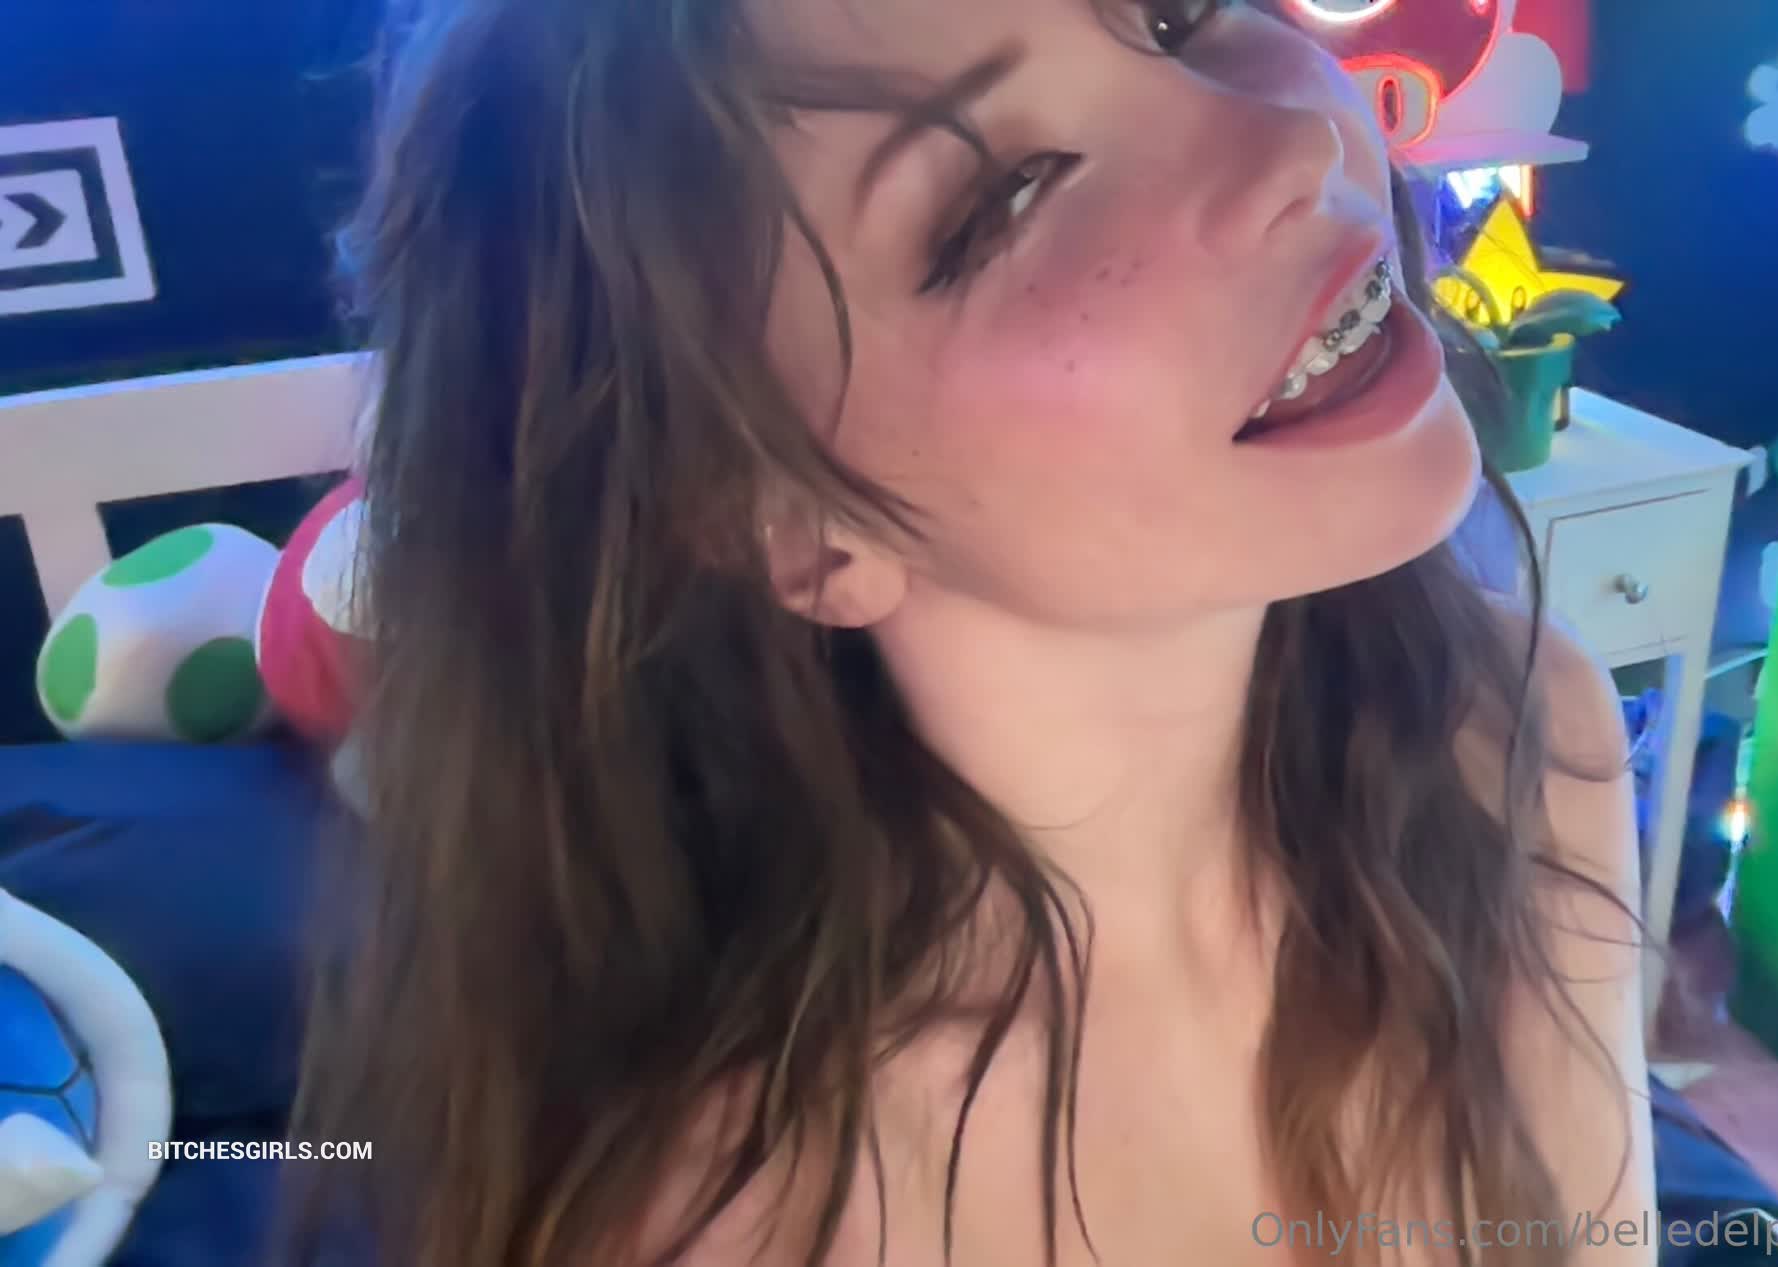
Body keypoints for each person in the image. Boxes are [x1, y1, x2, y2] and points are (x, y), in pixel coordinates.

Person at [285, 1, 1656, 1264]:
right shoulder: (743, 1223)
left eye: (1177, 12)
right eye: (1005, 198)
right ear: (794, 525)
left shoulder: (1528, 742)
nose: (1291, 139)